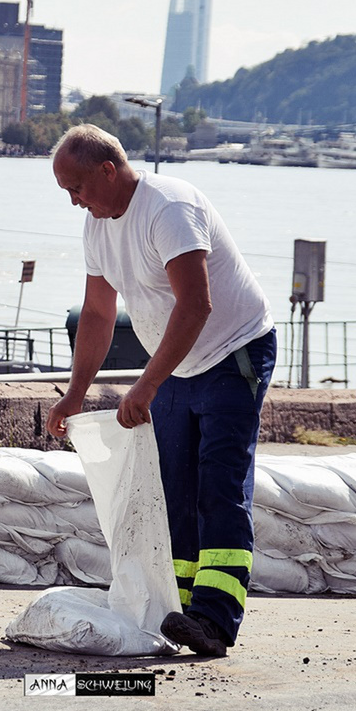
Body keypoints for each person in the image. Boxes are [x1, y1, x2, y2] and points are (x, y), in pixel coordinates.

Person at [43, 124, 276, 658]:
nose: (74, 201)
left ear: (108, 170)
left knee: (219, 484)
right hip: (178, 363)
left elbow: (197, 305)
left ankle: (215, 623)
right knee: (173, 488)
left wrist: (145, 386)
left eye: (76, 188)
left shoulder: (169, 207)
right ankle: (178, 610)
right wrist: (77, 392)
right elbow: (99, 316)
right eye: (66, 194)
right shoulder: (97, 226)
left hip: (233, 352)